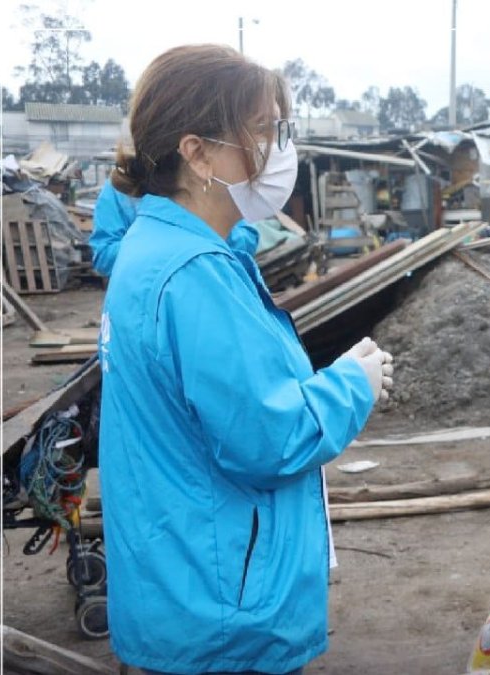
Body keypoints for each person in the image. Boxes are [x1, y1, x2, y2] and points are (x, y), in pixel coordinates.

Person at [97, 44, 393, 675]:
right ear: (197, 152)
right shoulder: (196, 275)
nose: (281, 149)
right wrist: (352, 383)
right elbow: (267, 438)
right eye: (262, 130)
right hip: (222, 607)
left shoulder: (157, 248)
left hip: (179, 577)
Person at [91, 177, 258, 277]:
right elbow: (104, 255)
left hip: (211, 289)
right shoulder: (120, 189)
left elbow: (248, 239)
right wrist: (163, 242)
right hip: (145, 301)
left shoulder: (208, 179)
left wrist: (206, 227)